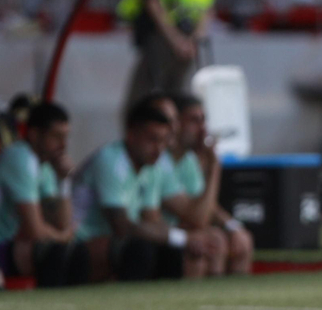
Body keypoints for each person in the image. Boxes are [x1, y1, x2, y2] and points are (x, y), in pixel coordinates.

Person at [73, 100, 220, 282]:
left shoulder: (151, 167)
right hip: (81, 243)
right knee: (140, 249)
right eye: (152, 139)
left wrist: (187, 239)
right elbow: (122, 226)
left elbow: (151, 218)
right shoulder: (110, 160)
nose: (158, 149)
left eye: (163, 141)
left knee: (171, 249)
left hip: (118, 241)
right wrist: (182, 238)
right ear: (131, 135)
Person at [0, 101, 83, 287]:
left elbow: (61, 221)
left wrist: (64, 181)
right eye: (56, 136)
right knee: (51, 250)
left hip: (1, 244)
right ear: (33, 134)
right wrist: (62, 237)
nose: (63, 145)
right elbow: (36, 231)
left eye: (65, 137)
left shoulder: (45, 166)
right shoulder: (19, 158)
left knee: (73, 252)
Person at [159, 92, 252, 276]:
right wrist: (214, 167)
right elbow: (198, 218)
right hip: (160, 237)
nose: (203, 129)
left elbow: (207, 207)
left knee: (240, 240)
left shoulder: (188, 161)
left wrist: (233, 227)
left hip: (180, 230)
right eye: (194, 121)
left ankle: (235, 300)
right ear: (175, 124)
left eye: (203, 120)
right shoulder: (160, 162)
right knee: (212, 241)